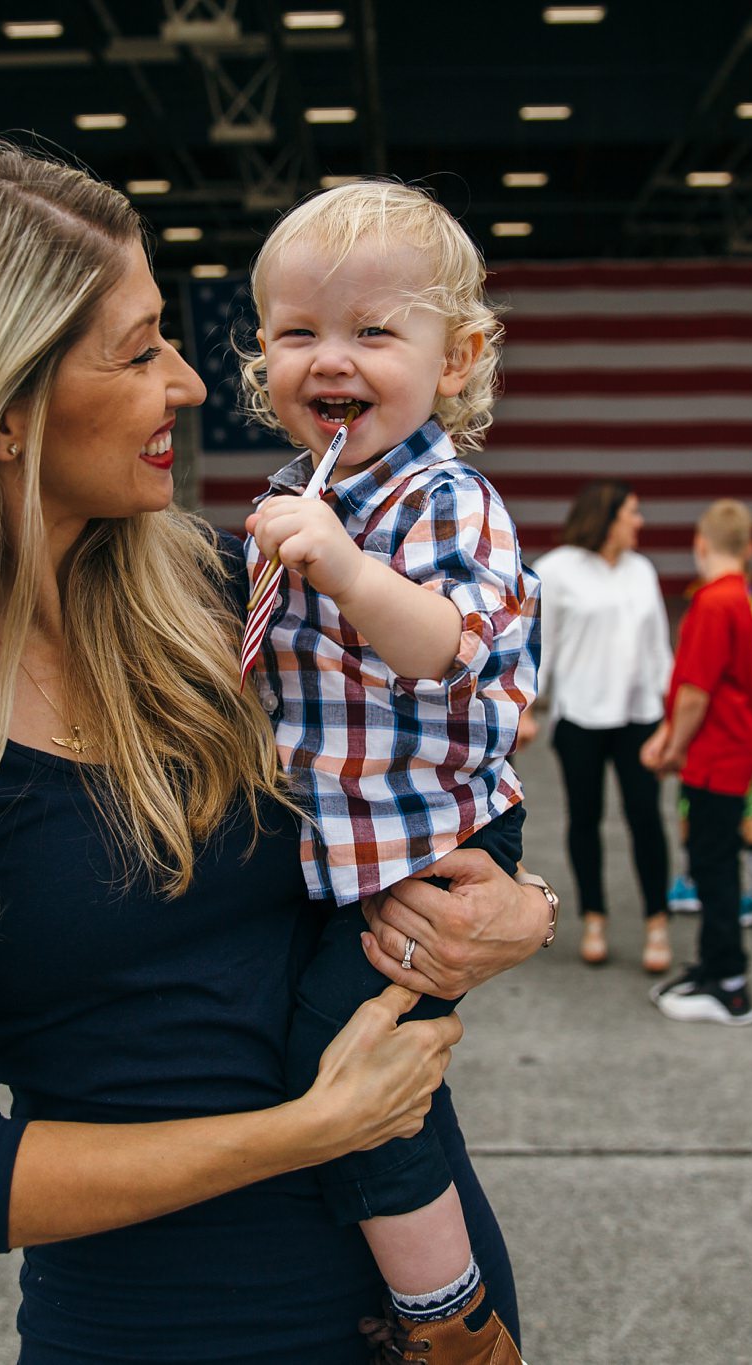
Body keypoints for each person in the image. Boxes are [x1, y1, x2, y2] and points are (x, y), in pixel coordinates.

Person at [0, 145, 555, 1363]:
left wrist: (516, 908)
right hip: (163, 1331)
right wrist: (311, 1127)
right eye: (139, 347)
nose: (191, 386)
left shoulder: (233, 591)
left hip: (437, 1316)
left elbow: (449, 736)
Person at [239, 180, 536, 1359]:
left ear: (454, 359)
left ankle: (446, 1315)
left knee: (346, 1063)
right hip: (341, 845)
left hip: (427, 846)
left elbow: (448, 649)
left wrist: (350, 573)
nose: (331, 359)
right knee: (322, 1056)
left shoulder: (440, 499)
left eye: (373, 332)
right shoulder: (292, 498)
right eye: (296, 332)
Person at [528, 481, 675, 974]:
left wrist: (671, 718)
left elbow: (659, 650)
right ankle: (595, 918)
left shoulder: (642, 570)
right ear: (606, 517)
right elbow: (538, 647)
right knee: (584, 820)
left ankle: (657, 922)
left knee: (645, 819)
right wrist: (526, 708)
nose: (641, 522)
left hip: (639, 719)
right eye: (633, 512)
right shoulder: (558, 569)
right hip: (580, 719)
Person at [641, 500, 752, 1026]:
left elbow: (695, 693)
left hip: (717, 757)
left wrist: (670, 746)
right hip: (728, 752)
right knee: (716, 864)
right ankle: (716, 964)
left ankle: (730, 985)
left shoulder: (713, 604)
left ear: (700, 544)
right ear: (750, 548)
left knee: (713, 868)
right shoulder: (740, 598)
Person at [668, 571, 752, 930]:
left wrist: (673, 739)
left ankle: (691, 882)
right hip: (750, 725)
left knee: (694, 805)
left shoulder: (715, 607)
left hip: (716, 729)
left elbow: (699, 680)